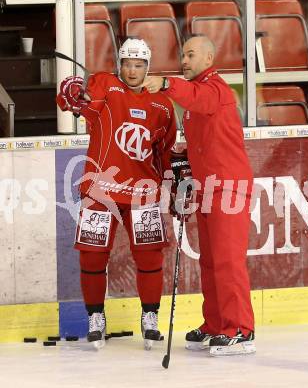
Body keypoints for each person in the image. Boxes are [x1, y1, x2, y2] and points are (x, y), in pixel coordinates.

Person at [56, 38, 176, 349]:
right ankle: (96, 317)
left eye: (139, 65)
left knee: (149, 257)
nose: (132, 70)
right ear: (119, 65)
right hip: (101, 189)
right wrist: (71, 95)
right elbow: (75, 102)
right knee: (92, 255)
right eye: (127, 63)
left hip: (144, 192)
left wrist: (172, 185)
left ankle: (150, 316)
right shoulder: (105, 86)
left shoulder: (163, 105)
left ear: (147, 67)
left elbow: (165, 153)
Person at [143, 35, 256, 356]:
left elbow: (197, 97)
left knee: (228, 262)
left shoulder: (216, 90)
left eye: (191, 55)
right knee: (210, 262)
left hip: (229, 188)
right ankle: (217, 323)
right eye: (183, 55)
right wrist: (182, 158)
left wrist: (166, 82)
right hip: (209, 188)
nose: (185, 60)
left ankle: (241, 329)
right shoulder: (193, 104)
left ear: (209, 58)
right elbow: (203, 144)